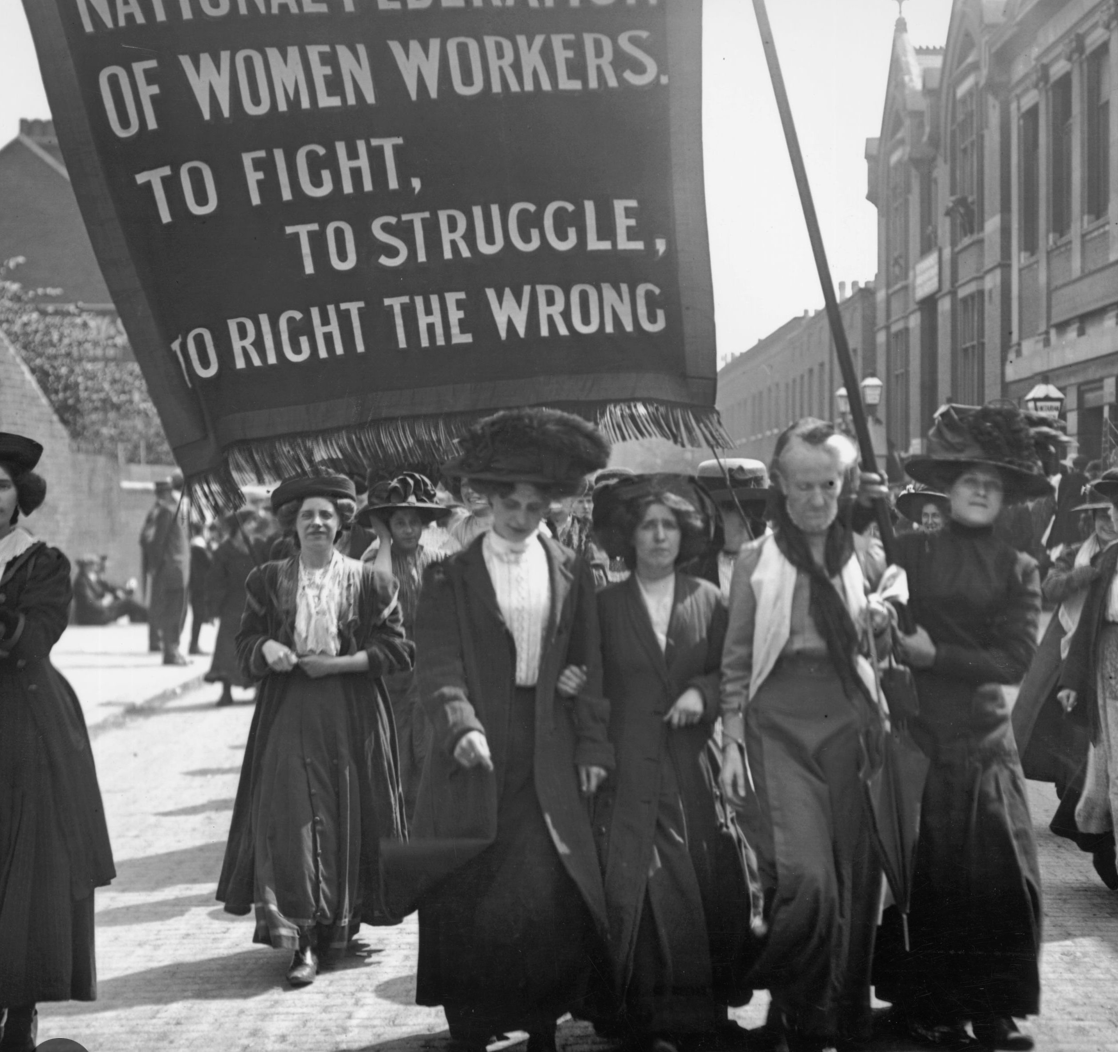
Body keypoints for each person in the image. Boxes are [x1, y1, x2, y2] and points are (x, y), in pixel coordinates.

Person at [388, 408, 613, 1052]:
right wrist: (460, 725)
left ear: (550, 506)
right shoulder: (450, 576)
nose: (521, 516)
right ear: (487, 502)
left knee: (543, 892)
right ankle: (471, 1025)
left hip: (548, 747)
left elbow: (586, 667)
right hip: (473, 750)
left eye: (534, 505)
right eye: (510, 503)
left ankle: (541, 1023)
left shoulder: (571, 569)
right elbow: (436, 663)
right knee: (468, 888)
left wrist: (593, 743)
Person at [875, 403, 1045, 1051]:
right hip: (922, 736)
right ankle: (932, 1006)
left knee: (1001, 877)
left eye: (993, 483)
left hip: (984, 742)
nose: (979, 489)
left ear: (1004, 498)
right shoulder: (909, 550)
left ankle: (995, 1009)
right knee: (935, 877)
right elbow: (883, 606)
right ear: (947, 487)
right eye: (970, 478)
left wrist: (934, 656)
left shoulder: (1018, 568)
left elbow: (1014, 659)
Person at [719, 418, 891, 1052]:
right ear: (781, 488)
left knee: (851, 880)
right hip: (779, 730)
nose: (818, 501)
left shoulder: (864, 554)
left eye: (829, 485)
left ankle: (818, 1017)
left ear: (842, 485)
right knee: (808, 879)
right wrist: (732, 741)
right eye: (804, 487)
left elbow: (888, 638)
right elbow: (736, 660)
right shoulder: (756, 562)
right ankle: (789, 994)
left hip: (849, 724)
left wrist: (881, 618)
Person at [216, 473, 413, 988]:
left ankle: (339, 927)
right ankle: (302, 939)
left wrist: (342, 664)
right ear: (293, 525)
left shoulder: (372, 583)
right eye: (307, 516)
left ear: (342, 522)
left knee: (348, 813)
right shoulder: (266, 580)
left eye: (327, 515)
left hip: (353, 712)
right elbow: (244, 642)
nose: (318, 523)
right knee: (292, 816)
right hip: (289, 709)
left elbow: (396, 651)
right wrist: (265, 649)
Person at [591, 474, 753, 1051]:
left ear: (684, 536)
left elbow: (731, 672)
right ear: (628, 537)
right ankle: (642, 1019)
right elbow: (588, 684)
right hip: (629, 768)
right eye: (647, 526)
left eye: (669, 526)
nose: (659, 536)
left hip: (691, 769)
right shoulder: (605, 605)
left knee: (698, 885)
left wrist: (701, 695)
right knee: (639, 888)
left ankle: (698, 1015)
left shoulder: (708, 600)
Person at [0, 433, 115, 1052]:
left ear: (20, 496)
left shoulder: (44, 562)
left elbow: (32, 639)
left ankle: (21, 1009)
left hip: (25, 725)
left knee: (28, 867)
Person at [1013, 483, 1116, 816]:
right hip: (1061, 640)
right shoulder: (1076, 552)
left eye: (1110, 516)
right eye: (1101, 517)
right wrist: (1082, 575)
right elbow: (1051, 587)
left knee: (1083, 729)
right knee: (1039, 716)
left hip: (1095, 643)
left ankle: (1074, 806)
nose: (1107, 523)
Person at [359, 472, 452, 819]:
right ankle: (400, 829)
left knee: (429, 751)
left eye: (414, 522)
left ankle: (428, 827)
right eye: (399, 523)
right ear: (388, 526)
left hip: (430, 666)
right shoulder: (374, 560)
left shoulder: (439, 560)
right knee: (396, 754)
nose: (409, 530)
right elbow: (379, 590)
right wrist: (383, 541)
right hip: (393, 671)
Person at [1056, 469, 1118, 891]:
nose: (1112, 516)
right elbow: (1090, 623)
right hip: (1111, 658)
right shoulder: (1106, 558)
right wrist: (1071, 680)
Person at [204, 509, 262, 708]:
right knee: (227, 649)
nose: (253, 527)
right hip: (231, 605)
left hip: (254, 605)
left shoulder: (257, 548)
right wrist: (213, 610)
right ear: (238, 528)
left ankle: (258, 690)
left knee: (255, 645)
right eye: (248, 524)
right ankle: (226, 692)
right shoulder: (224, 552)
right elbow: (215, 582)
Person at [692, 458, 770, 597]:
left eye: (755, 511)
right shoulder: (690, 566)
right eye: (731, 509)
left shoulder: (784, 558)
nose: (746, 522)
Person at [139, 474, 191, 665]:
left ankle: (173, 650)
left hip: (179, 569)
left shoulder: (179, 509)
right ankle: (170, 652)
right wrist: (156, 566)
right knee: (172, 611)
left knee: (178, 611)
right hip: (171, 569)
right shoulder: (166, 511)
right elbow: (156, 542)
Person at [72, 555, 147, 625]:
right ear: (87, 566)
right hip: (91, 617)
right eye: (94, 564)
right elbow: (89, 603)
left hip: (98, 613)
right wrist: (104, 602)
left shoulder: (92, 579)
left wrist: (124, 590)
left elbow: (110, 587)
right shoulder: (81, 582)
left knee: (127, 602)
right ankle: (152, 616)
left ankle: (146, 618)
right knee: (128, 603)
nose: (96, 567)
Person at [187, 521, 213, 655]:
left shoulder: (194, 546)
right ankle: (193, 645)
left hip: (195, 586)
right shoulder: (199, 546)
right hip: (200, 587)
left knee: (198, 616)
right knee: (198, 616)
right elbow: (211, 562)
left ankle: (194, 644)